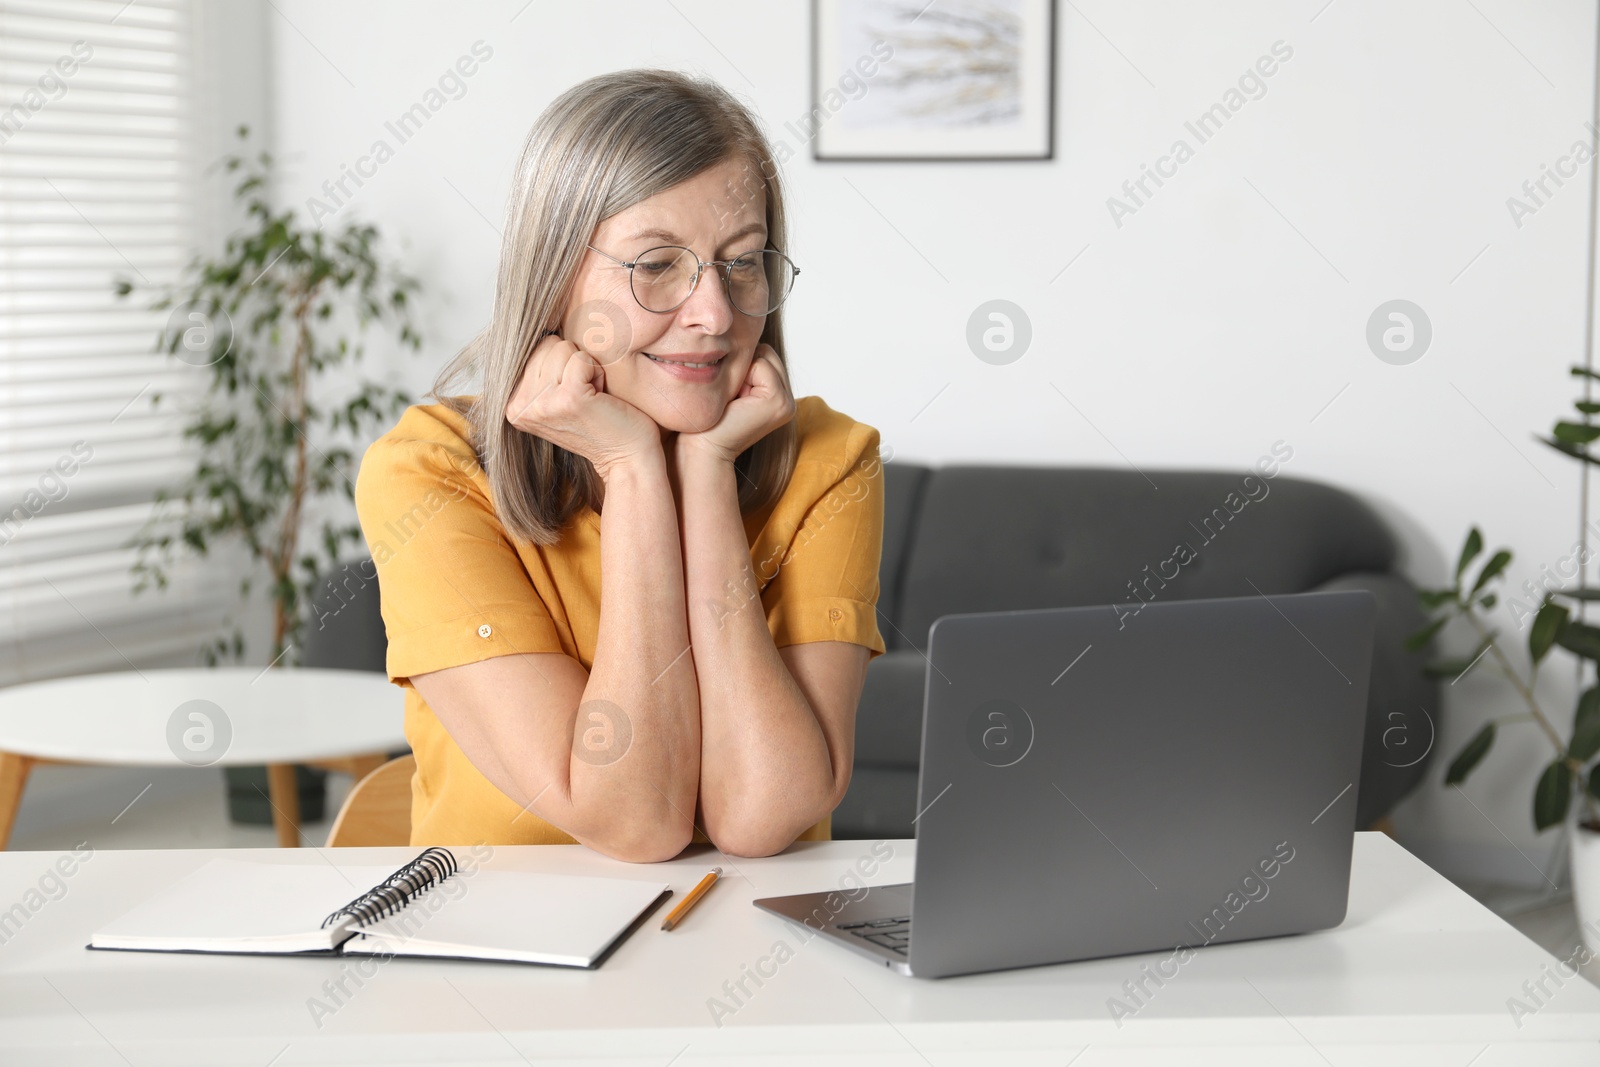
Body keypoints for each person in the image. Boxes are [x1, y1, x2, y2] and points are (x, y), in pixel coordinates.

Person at [353, 68, 887, 862]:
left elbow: (764, 813)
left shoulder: (830, 461)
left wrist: (703, 475)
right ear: (558, 276)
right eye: (657, 264)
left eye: (743, 263)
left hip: (764, 966)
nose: (714, 314)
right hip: (502, 964)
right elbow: (635, 819)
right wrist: (633, 468)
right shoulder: (429, 474)